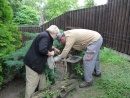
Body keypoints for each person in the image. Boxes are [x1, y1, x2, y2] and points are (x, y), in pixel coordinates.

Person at [23, 25, 60, 98]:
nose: (56, 36)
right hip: (33, 64)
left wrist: (54, 48)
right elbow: (42, 49)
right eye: (56, 34)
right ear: (53, 33)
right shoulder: (45, 36)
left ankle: (41, 96)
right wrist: (51, 53)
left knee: (43, 84)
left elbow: (45, 45)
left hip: (38, 64)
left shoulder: (46, 36)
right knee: (32, 85)